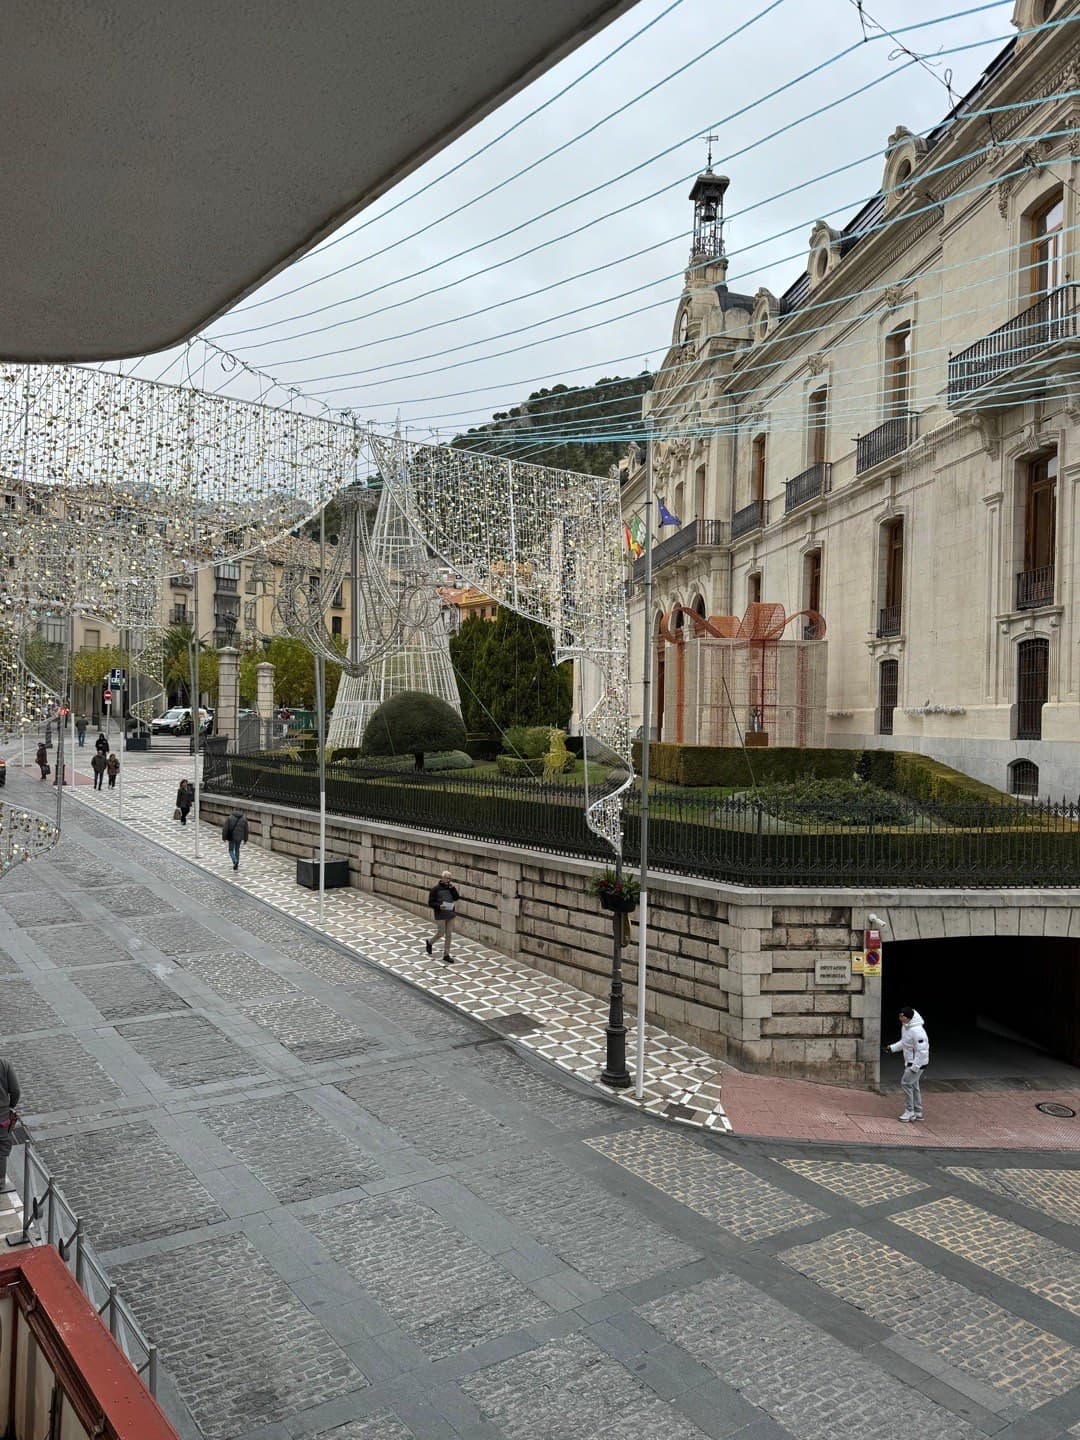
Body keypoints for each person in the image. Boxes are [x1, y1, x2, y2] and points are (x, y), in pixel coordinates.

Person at [886, 1006, 929, 1122]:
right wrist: (892, 1048)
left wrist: (915, 1067)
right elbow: (905, 1043)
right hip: (912, 1062)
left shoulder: (917, 1031)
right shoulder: (906, 1027)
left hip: (916, 1064)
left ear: (908, 1017)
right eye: (900, 1015)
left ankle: (909, 1111)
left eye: (902, 1016)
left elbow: (923, 1051)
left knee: (905, 1083)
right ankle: (918, 1112)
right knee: (914, 1086)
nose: (900, 1018)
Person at [425, 869, 459, 964]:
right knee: (441, 933)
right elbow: (430, 902)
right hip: (440, 914)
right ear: (442, 878)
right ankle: (430, 942)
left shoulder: (451, 888)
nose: (449, 880)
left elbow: (456, 898)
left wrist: (453, 889)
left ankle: (446, 955)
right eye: (447, 878)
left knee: (449, 935)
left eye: (450, 879)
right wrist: (439, 906)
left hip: (450, 914)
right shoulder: (435, 889)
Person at [0, 1053, 19, 1193]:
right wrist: (10, 1106)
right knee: (1, 1149)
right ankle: (0, 1182)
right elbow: (15, 1090)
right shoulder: (4, 1064)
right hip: (1, 1116)